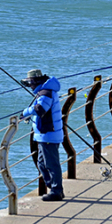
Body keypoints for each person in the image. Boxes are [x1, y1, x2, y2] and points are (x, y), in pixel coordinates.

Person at [21, 69, 65, 202]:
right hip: (44, 135)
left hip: (49, 135)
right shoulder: (44, 92)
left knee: (51, 164)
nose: (30, 86)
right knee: (41, 163)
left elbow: (40, 110)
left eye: (31, 83)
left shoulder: (46, 93)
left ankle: (57, 191)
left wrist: (26, 112)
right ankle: (53, 187)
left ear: (36, 81)